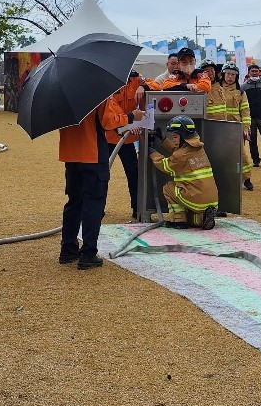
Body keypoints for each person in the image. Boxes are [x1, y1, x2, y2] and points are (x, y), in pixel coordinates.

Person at [59, 94, 137, 270]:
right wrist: (132, 116)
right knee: (93, 204)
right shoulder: (96, 93)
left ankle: (68, 249)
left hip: (70, 154)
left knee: (74, 202)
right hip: (93, 154)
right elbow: (109, 122)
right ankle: (88, 253)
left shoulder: (62, 96)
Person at [149, 115, 219, 230]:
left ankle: (178, 221)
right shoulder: (198, 149)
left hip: (197, 199)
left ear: (183, 137)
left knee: (169, 188)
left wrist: (152, 153)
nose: (173, 140)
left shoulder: (181, 155)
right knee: (192, 219)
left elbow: (166, 165)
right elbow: (179, 152)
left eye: (175, 137)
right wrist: (163, 139)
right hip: (212, 201)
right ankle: (202, 218)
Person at [103, 71, 144, 215]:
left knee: (133, 173)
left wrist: (144, 87)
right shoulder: (108, 82)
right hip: (109, 137)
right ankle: (98, 209)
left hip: (127, 139)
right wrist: (132, 119)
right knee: (101, 174)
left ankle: (137, 208)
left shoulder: (136, 79)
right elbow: (112, 114)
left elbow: (155, 84)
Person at [218, 64, 254, 191]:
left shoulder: (241, 91)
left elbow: (245, 111)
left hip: (235, 127)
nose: (230, 77)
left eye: (233, 74)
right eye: (228, 74)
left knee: (240, 154)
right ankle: (223, 179)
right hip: (219, 126)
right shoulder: (216, 89)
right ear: (223, 74)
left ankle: (247, 179)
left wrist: (246, 128)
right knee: (220, 154)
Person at [146, 47, 211, 93]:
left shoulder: (201, 73)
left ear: (195, 61)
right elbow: (166, 86)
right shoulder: (175, 74)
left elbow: (206, 85)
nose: (188, 64)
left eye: (191, 61)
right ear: (179, 64)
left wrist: (194, 86)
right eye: (184, 62)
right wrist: (186, 86)